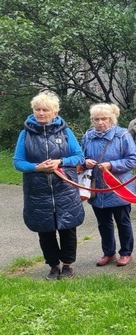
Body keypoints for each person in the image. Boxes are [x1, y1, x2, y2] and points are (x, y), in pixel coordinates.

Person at [13, 91, 85, 280]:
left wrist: (59, 162)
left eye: (45, 109)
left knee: (68, 228)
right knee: (45, 231)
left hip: (64, 189)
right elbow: (18, 162)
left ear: (55, 112)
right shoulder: (25, 134)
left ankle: (68, 265)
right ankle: (53, 266)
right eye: (37, 109)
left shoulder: (65, 131)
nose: (41, 113)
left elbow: (79, 156)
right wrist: (37, 167)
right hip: (37, 190)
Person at [81, 103, 136, 267]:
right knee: (103, 223)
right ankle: (108, 253)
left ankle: (126, 253)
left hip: (119, 187)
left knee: (123, 222)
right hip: (97, 188)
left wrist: (111, 165)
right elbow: (80, 157)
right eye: (97, 119)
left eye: (104, 119)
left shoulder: (122, 135)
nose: (100, 122)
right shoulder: (87, 136)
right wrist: (85, 162)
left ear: (111, 119)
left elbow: (134, 160)